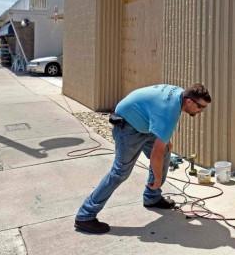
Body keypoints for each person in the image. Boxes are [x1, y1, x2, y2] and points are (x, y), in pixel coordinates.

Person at [74, 83, 211, 234]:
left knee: (166, 149)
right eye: (200, 107)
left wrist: (164, 141)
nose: (201, 111)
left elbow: (157, 121)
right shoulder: (169, 113)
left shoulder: (180, 94)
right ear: (189, 102)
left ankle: (152, 197)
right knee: (120, 173)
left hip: (142, 122)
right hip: (128, 126)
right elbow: (155, 155)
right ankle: (85, 215)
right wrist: (157, 179)